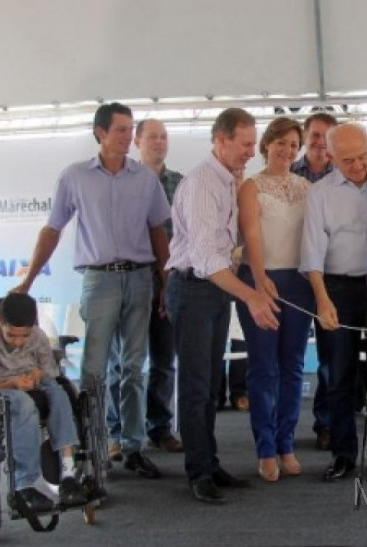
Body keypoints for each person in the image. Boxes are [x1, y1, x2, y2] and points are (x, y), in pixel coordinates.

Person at [13, 102, 170, 480]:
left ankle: (133, 446)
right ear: (100, 132)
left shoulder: (145, 178)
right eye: (120, 130)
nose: (128, 137)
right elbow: (53, 229)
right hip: (98, 280)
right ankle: (96, 445)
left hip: (140, 277)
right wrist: (29, 280)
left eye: (131, 130)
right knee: (95, 369)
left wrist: (165, 283)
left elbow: (158, 231)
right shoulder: (74, 177)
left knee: (133, 367)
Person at [164, 107, 280, 504]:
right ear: (221, 140)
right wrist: (251, 295)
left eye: (253, 144)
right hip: (196, 288)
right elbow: (208, 260)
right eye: (246, 144)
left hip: (212, 291)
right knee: (196, 386)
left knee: (211, 382)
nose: (252, 151)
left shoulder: (228, 180)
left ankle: (209, 462)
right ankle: (198, 472)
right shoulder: (201, 185)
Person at [300, 123, 367, 483]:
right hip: (338, 289)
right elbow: (312, 255)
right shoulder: (319, 194)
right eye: (348, 160)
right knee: (338, 375)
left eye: (363, 156)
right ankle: (343, 453)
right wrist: (323, 302)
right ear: (329, 157)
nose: (359, 165)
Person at [237, 117, 314, 482]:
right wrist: (260, 276)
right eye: (280, 142)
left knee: (292, 367)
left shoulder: (306, 187)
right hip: (260, 281)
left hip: (299, 284)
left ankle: (286, 444)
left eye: (293, 144)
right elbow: (251, 232)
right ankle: (265, 448)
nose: (286, 150)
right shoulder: (251, 186)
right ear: (266, 144)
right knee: (264, 367)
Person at [0, 293, 88, 513]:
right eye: (11, 335)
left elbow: (49, 371)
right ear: (0, 322)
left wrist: (37, 374)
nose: (18, 342)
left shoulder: (38, 336)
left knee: (59, 393)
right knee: (23, 403)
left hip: (32, 383)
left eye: (24, 336)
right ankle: (24, 485)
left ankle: (68, 473)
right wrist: (11, 384)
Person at [105, 118, 184, 460]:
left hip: (168, 281)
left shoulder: (181, 184)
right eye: (152, 137)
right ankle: (116, 432)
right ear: (137, 141)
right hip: (129, 280)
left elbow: (184, 235)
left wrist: (171, 281)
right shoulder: (124, 180)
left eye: (164, 137)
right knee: (122, 364)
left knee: (165, 361)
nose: (159, 142)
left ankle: (160, 429)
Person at [291, 112, 338, 451]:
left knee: (329, 358)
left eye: (327, 136)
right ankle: (282, 430)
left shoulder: (344, 176)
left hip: (331, 277)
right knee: (290, 357)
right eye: (316, 134)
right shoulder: (287, 173)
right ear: (305, 136)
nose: (320, 141)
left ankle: (326, 423)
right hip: (291, 277)